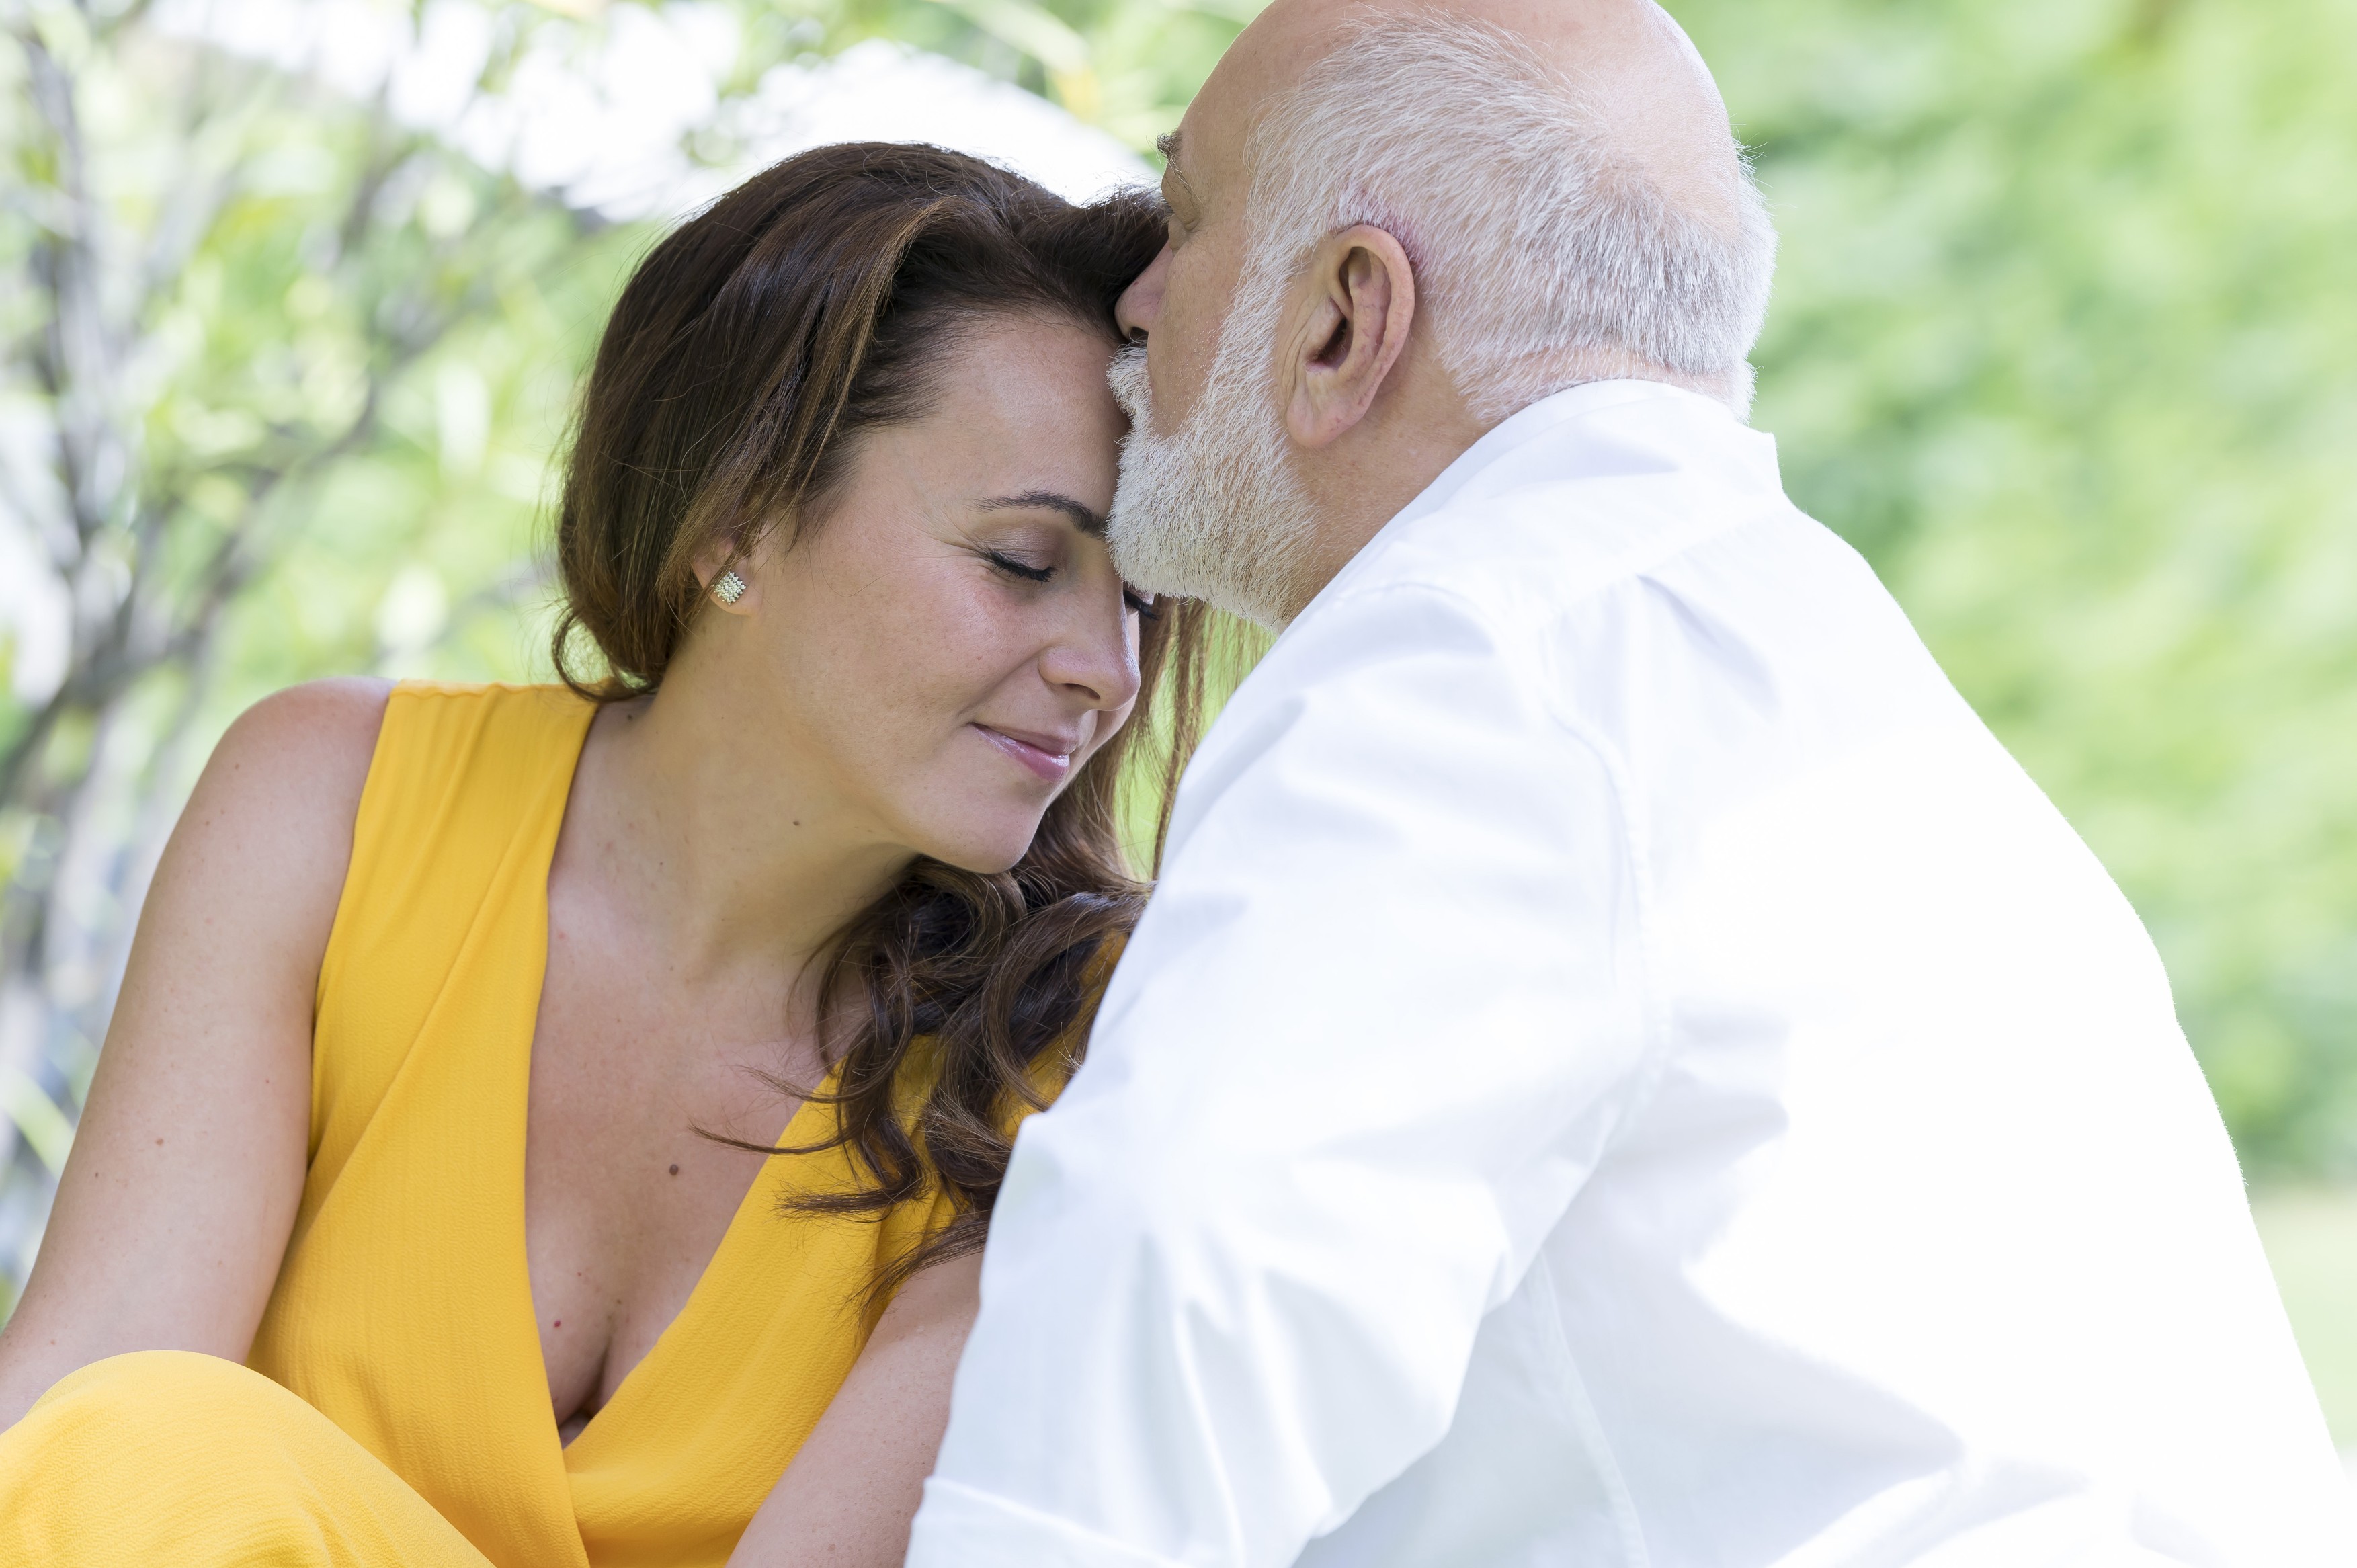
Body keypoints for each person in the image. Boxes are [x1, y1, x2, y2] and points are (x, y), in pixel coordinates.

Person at [905, 3, 2357, 1564]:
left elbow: (1148, 1357)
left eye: (1184, 222)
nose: (1133, 302)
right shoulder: (1810, 661)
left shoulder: (1467, 666)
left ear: (1341, 320)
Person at [0, 143, 1198, 1567]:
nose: (1104, 672)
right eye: (1020, 561)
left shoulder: (1094, 1037)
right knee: (136, 1442)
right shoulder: (329, 805)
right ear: (737, 509)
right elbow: (62, 1445)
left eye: (1136, 593)